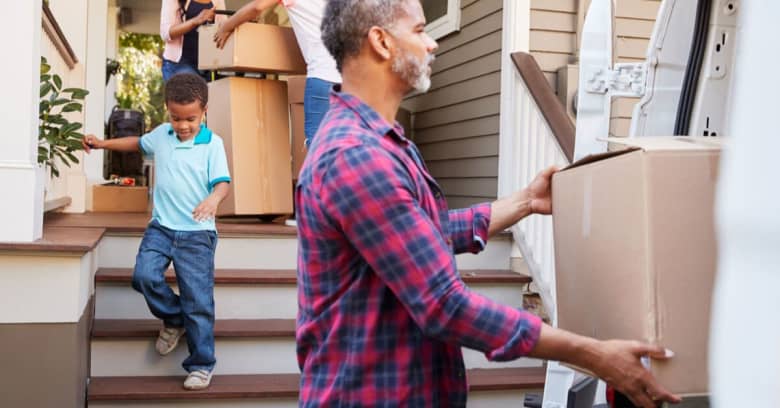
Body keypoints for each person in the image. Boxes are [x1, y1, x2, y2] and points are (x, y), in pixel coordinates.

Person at [293, 1, 683, 407]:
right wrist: (595, 356)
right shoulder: (357, 156)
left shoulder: (380, 141)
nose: (432, 44)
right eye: (421, 30)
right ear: (381, 41)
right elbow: (445, 306)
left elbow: (423, 234)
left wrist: (526, 202)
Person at [82, 73, 231, 390]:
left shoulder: (212, 144)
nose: (183, 125)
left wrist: (213, 199)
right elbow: (137, 143)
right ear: (167, 110)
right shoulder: (162, 135)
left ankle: (201, 364)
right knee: (144, 276)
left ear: (204, 111)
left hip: (197, 234)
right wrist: (102, 143)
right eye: (176, 118)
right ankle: (175, 318)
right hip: (161, 228)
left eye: (190, 118)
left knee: (198, 300)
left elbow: (223, 184)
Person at [213, 0, 341, 147]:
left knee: (319, 150)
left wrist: (226, 26)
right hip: (351, 76)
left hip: (323, 75)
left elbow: (256, 7)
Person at [160, 0, 227, 81]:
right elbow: (165, 33)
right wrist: (196, 21)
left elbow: (224, 26)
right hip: (179, 64)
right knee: (192, 91)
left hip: (206, 67)